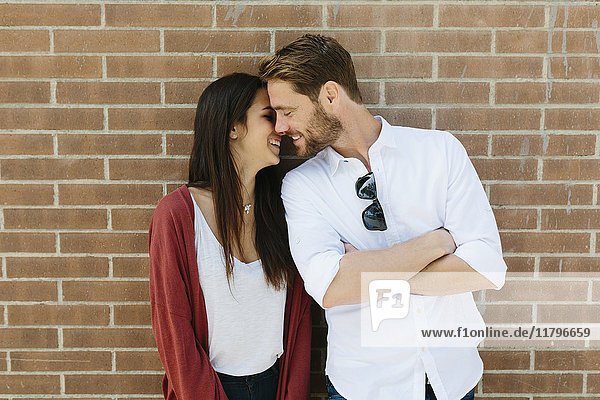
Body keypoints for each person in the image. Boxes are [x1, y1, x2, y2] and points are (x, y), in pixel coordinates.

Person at [258, 34, 507, 400]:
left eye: (288, 111)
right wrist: (436, 242)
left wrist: (366, 273)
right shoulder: (301, 187)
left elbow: (486, 267)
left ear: (330, 95)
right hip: (364, 387)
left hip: (451, 379)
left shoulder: (439, 152)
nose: (279, 127)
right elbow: (330, 288)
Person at [148, 73, 312, 400]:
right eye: (268, 116)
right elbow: (174, 333)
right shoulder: (178, 216)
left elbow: (300, 322)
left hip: (274, 386)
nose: (281, 127)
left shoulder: (283, 212)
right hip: (208, 389)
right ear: (233, 128)